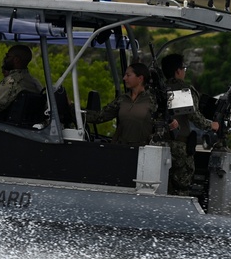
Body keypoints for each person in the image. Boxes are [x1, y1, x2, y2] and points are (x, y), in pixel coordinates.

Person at [160, 53, 220, 196]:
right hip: (179, 146)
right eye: (184, 68)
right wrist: (212, 125)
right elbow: (194, 116)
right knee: (181, 188)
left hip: (159, 146)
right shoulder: (183, 89)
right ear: (178, 71)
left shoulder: (158, 90)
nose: (185, 72)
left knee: (163, 186)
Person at [91, 62, 157, 146]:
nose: (124, 78)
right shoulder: (122, 99)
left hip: (143, 151)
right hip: (121, 149)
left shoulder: (153, 101)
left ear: (140, 78)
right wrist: (75, 110)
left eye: (128, 75)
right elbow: (99, 116)